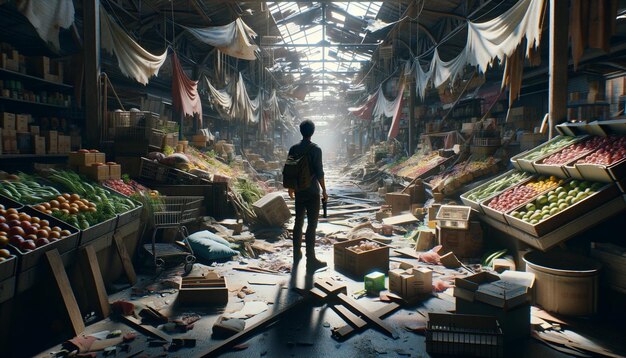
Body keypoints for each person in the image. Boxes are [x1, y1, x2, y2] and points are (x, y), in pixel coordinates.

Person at [288, 120, 328, 271]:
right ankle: (310, 259)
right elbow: (319, 172)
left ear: (300, 131)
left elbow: (289, 170)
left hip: (299, 191)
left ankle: (296, 253)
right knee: (312, 225)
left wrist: (291, 188)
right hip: (312, 192)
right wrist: (324, 190)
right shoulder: (316, 149)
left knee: (298, 221)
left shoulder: (293, 148)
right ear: (313, 132)